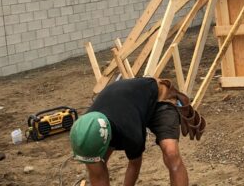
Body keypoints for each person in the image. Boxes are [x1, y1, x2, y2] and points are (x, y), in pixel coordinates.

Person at [69, 78, 205, 186]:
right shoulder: (85, 128)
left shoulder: (130, 133)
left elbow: (134, 164)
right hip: (128, 106)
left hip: (159, 99)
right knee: (96, 160)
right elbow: (94, 161)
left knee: (171, 153)